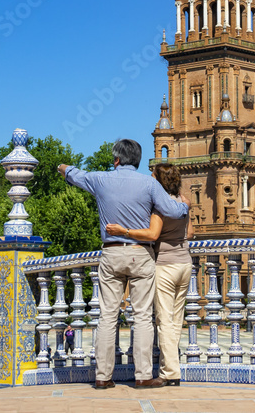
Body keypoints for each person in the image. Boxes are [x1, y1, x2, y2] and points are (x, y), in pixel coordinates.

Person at [60, 139, 189, 389]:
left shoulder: (100, 179)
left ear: (116, 160)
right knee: (142, 317)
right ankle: (142, 376)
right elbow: (173, 210)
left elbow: (74, 174)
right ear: (137, 161)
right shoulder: (149, 184)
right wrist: (184, 208)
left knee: (108, 316)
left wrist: (62, 168)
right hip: (141, 254)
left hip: (110, 253)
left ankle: (103, 377)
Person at [105, 163, 192, 387]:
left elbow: (152, 234)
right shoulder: (184, 203)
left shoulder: (159, 208)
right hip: (185, 263)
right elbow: (190, 232)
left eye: (153, 177)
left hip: (165, 265)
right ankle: (169, 367)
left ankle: (170, 373)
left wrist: (123, 231)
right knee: (176, 320)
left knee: (164, 321)